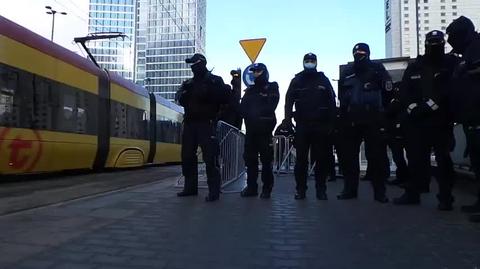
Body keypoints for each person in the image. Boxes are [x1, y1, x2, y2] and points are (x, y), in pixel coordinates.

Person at [393, 30, 457, 211]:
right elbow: (404, 91)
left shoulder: (450, 64)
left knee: (443, 160)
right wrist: (413, 107)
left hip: (440, 121)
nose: (434, 45)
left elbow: (450, 89)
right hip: (417, 122)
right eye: (431, 42)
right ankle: (413, 193)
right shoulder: (415, 66)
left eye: (438, 42)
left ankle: (445, 197)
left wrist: (432, 105)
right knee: (415, 160)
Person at [337, 43, 391, 203]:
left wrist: (383, 114)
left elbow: (388, 92)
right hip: (351, 119)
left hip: (373, 118)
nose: (358, 54)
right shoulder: (347, 72)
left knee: (376, 156)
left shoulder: (377, 69)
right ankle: (350, 189)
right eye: (356, 52)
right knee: (349, 157)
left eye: (361, 52)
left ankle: (379, 192)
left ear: (368, 53)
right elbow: (342, 95)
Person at [175, 53, 230, 202]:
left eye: (194, 64)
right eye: (191, 65)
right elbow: (178, 97)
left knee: (210, 157)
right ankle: (190, 187)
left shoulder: (214, 80)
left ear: (202, 63)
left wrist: (210, 93)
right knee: (187, 156)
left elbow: (226, 97)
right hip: (190, 124)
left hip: (207, 123)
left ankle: (214, 190)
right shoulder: (188, 83)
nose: (192, 67)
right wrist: (183, 96)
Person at [284, 53, 336, 200]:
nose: (309, 63)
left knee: (321, 159)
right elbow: (288, 101)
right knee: (301, 160)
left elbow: (332, 101)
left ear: (316, 62)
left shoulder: (323, 80)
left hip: (321, 126)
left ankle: (321, 189)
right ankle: (300, 190)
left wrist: (332, 123)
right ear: (303, 62)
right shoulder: (297, 80)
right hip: (302, 126)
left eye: (312, 61)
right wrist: (288, 121)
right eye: (307, 61)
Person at [447, 16, 480, 221]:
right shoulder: (467, 52)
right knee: (476, 159)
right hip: (470, 115)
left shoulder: (476, 48)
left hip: (477, 113)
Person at [239, 63, 279, 199]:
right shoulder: (249, 91)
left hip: (265, 130)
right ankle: (251, 187)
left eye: (258, 71)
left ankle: (267, 188)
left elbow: (272, 104)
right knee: (250, 160)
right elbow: (242, 107)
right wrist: (249, 115)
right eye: (254, 71)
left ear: (264, 72)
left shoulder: (272, 87)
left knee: (266, 161)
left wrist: (256, 113)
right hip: (251, 130)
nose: (255, 73)